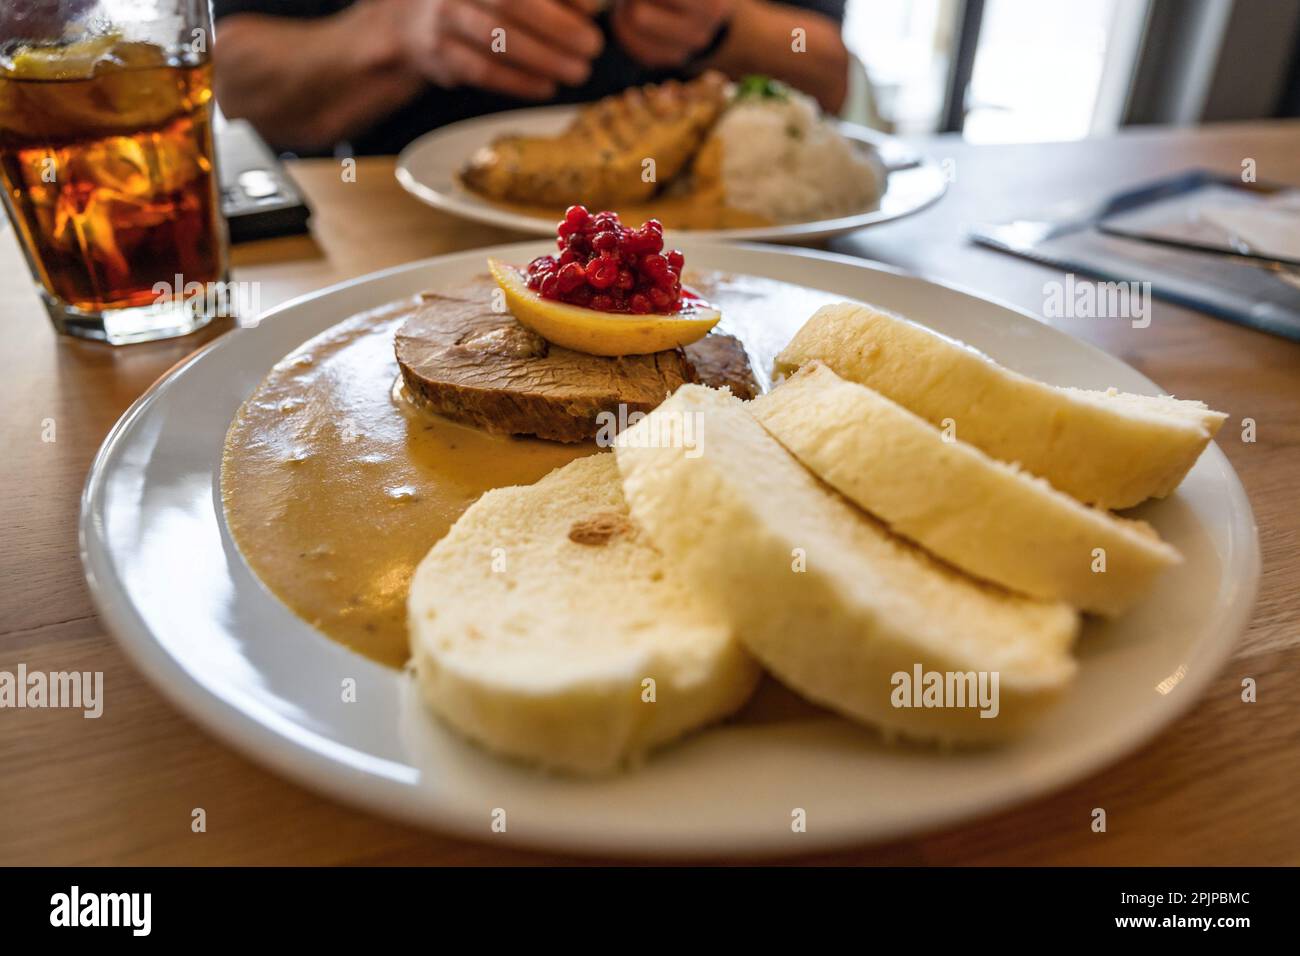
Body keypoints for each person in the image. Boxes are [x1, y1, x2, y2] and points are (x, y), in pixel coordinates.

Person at [212, 0, 850, 155]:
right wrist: (403, 32)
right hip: (395, 249)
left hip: (722, 245)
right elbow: (237, 79)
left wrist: (723, 27)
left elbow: (829, 77)